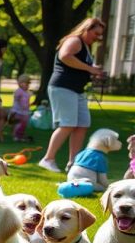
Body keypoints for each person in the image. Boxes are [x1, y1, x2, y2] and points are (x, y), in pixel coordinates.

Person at [37, 17, 107, 172]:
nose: (98, 37)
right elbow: (65, 56)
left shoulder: (87, 47)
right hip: (63, 87)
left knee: (82, 124)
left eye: (100, 35)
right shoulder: (74, 40)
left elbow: (80, 65)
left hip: (77, 89)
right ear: (86, 29)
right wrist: (90, 69)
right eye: (96, 33)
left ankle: (73, 163)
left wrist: (94, 70)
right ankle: (48, 159)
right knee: (67, 124)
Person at [8, 74, 34, 142]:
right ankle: (15, 135)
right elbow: (17, 98)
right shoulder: (19, 91)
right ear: (20, 83)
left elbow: (27, 101)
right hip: (18, 111)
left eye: (28, 84)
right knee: (17, 123)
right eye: (25, 84)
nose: (27, 85)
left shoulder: (27, 92)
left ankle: (20, 135)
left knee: (23, 124)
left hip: (25, 111)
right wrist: (21, 103)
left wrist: (28, 105)